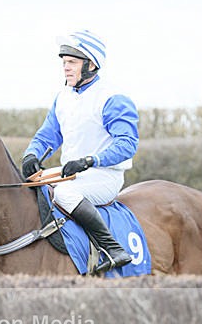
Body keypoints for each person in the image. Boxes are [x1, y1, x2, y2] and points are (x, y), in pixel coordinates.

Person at [22, 28, 139, 272]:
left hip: (104, 176)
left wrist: (91, 160)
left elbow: (127, 144)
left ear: (91, 65)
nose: (66, 68)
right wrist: (31, 154)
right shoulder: (63, 96)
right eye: (65, 62)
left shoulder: (112, 98)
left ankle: (112, 248)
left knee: (64, 194)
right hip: (72, 173)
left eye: (72, 63)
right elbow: (47, 135)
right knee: (28, 186)